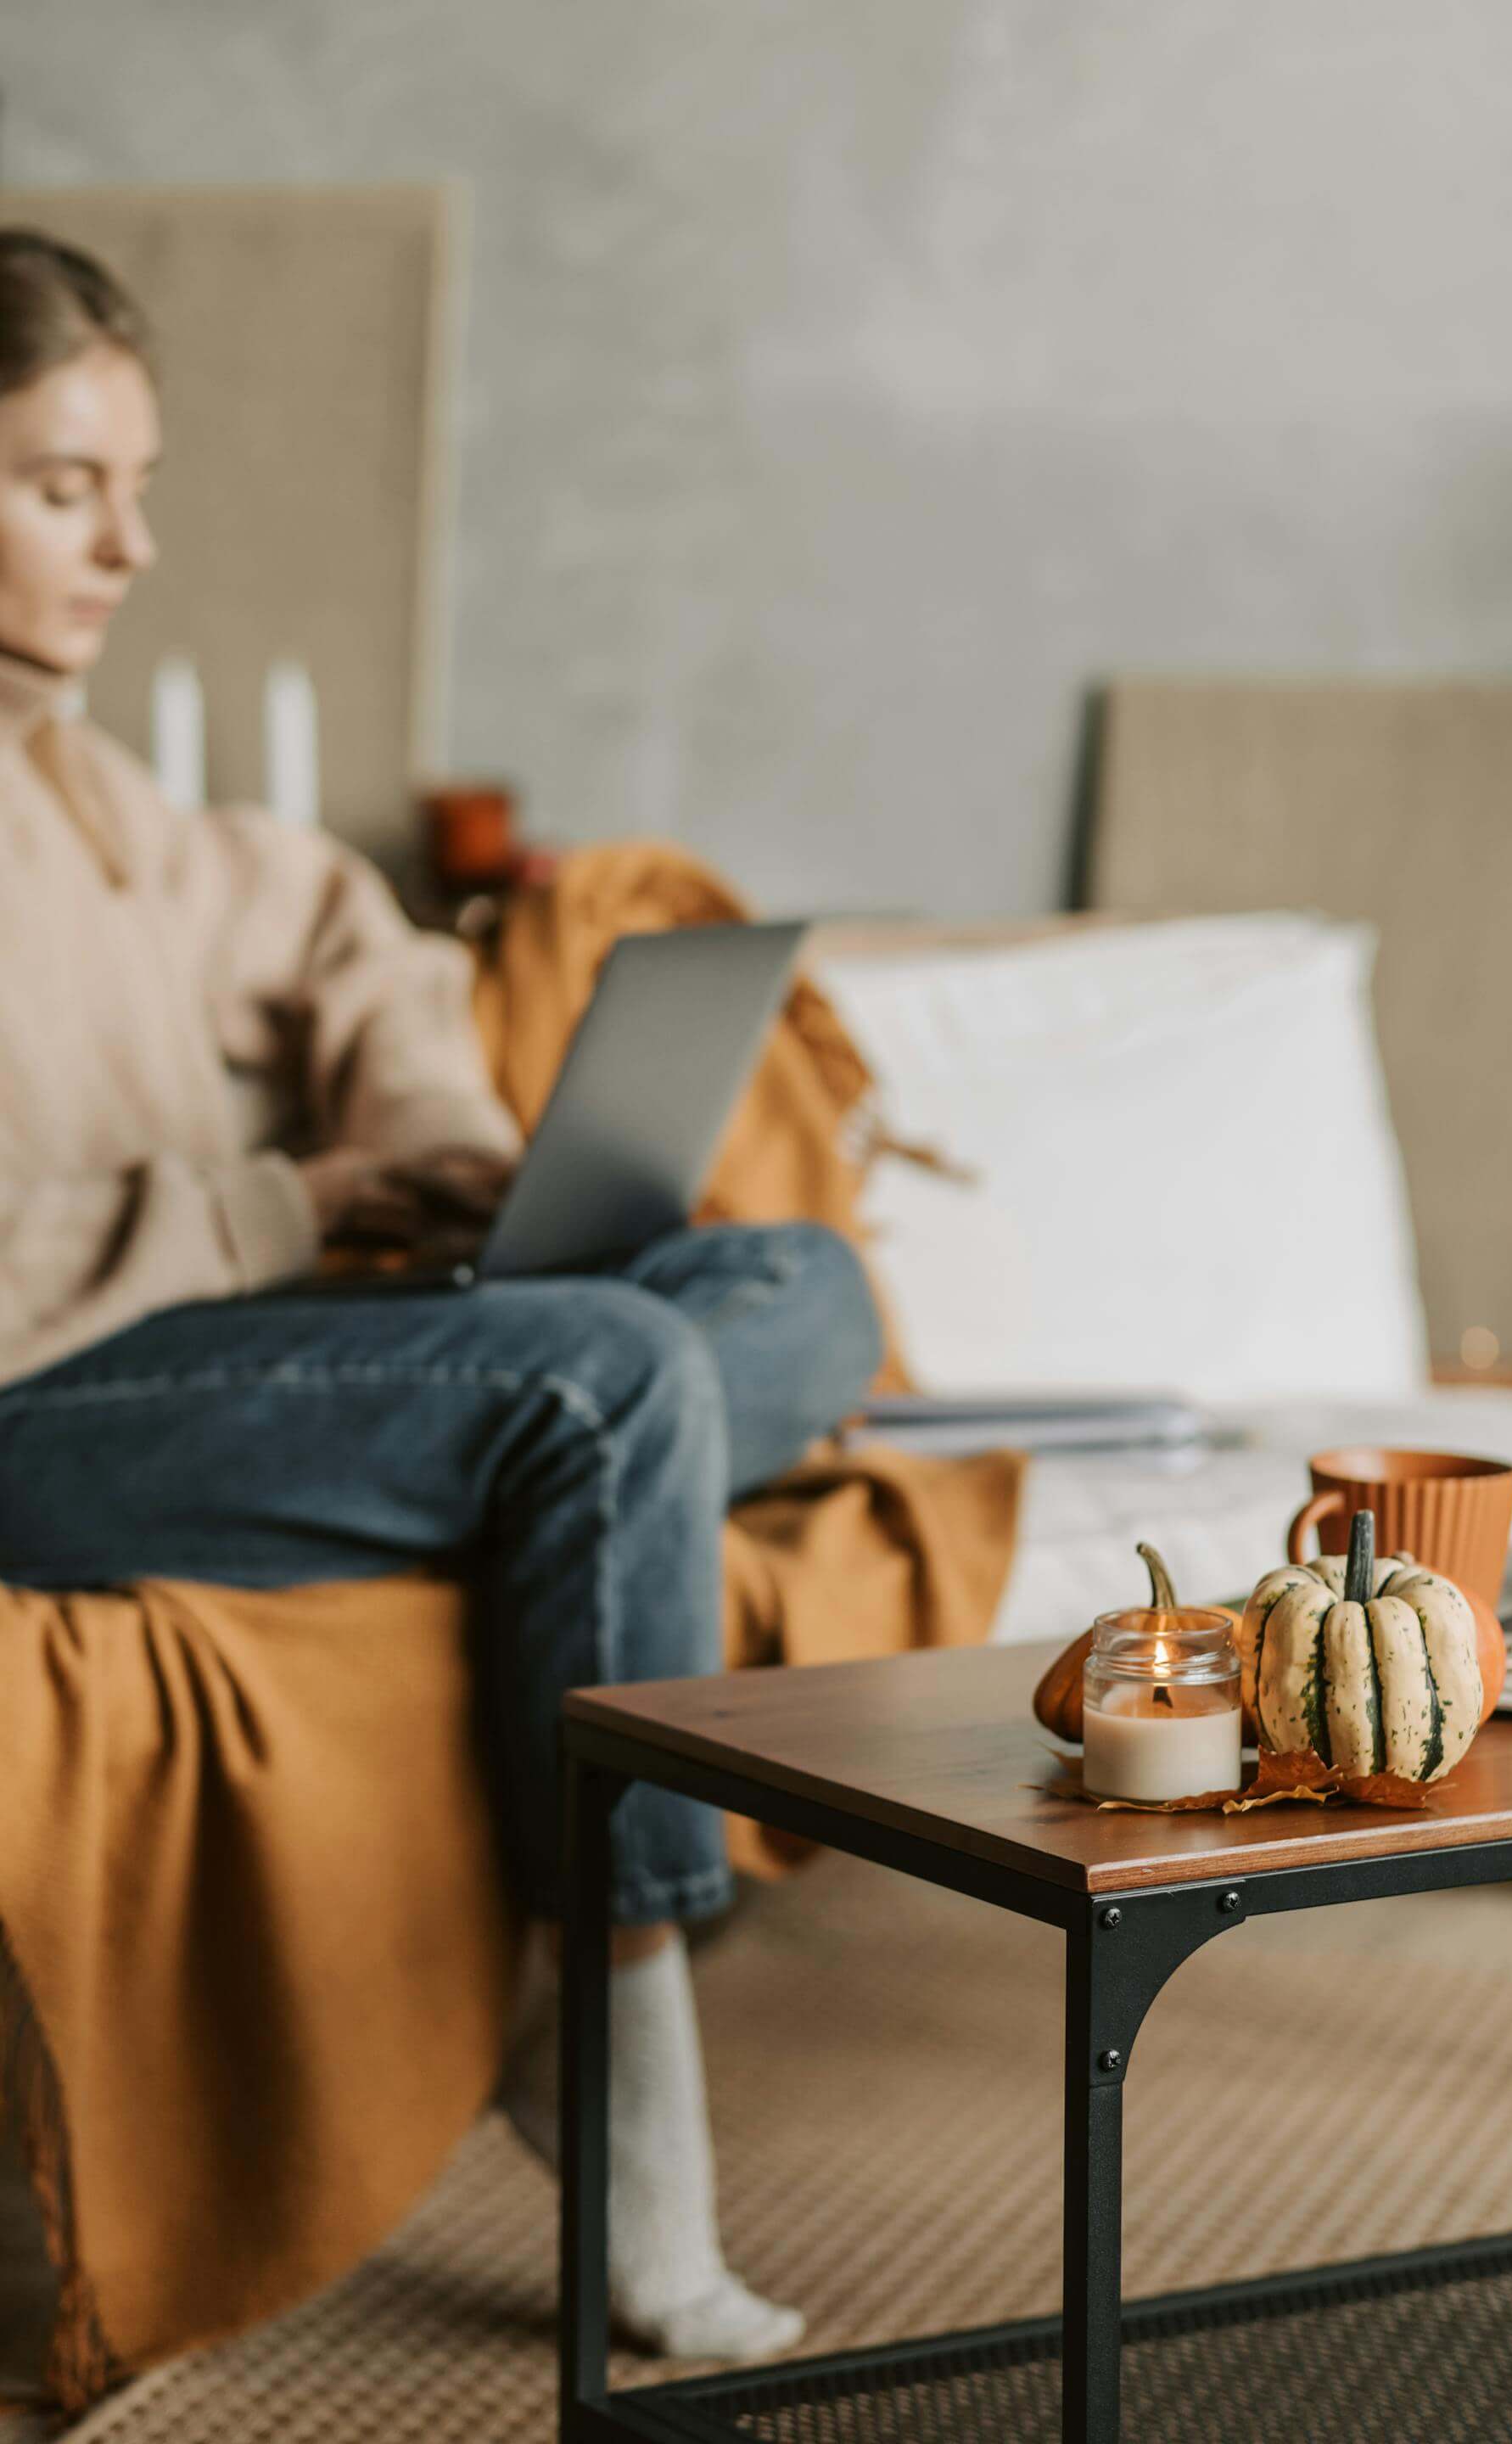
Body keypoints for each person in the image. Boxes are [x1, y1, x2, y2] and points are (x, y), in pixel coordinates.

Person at [0, 228, 883, 2363]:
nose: (132, 545)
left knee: (793, 1285)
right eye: (59, 487)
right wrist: (303, 1204)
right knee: (603, 1385)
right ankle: (621, 2074)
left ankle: (564, 1483)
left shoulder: (88, 788)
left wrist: (441, 1131)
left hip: (195, 1353)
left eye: (139, 483)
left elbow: (334, 931)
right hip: (42, 1406)